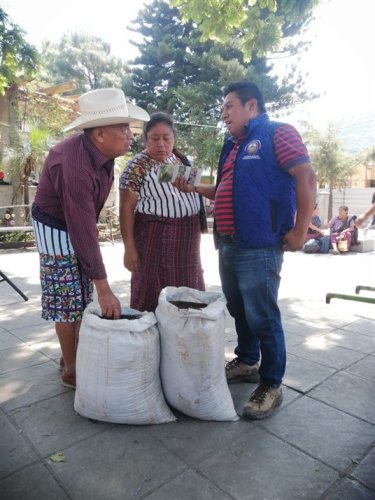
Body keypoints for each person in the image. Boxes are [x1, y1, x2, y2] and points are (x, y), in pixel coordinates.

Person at [174, 81, 316, 420]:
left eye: (228, 107)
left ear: (251, 105)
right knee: (239, 308)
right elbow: (224, 189)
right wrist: (194, 187)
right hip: (228, 242)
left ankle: (272, 383)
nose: (223, 114)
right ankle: (248, 361)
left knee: (263, 316)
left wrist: (299, 230)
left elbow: (306, 177)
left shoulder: (277, 133)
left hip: (260, 244)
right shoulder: (232, 145)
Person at [31, 88, 149, 389]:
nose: (130, 134)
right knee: (67, 298)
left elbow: (85, 225)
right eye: (123, 128)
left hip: (76, 221)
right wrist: (105, 287)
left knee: (81, 294)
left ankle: (72, 355)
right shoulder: (73, 164)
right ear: (99, 134)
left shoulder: (103, 155)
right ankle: (71, 369)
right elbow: (81, 227)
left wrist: (94, 279)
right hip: (54, 226)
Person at [119, 112, 205, 312]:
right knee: (152, 296)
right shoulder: (136, 167)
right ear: (145, 139)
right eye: (154, 138)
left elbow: (195, 190)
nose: (161, 144)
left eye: (166, 138)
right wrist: (129, 249)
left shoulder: (179, 161)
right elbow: (126, 208)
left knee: (187, 298)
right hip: (154, 243)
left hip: (186, 246)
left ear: (174, 138)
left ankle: (181, 340)